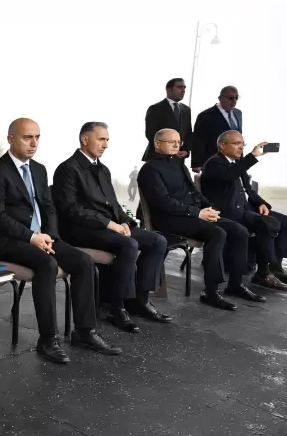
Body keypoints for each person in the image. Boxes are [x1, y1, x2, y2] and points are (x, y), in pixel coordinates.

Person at [0, 118, 120, 363]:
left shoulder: (39, 169)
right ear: (11, 139)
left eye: (37, 137)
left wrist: (51, 236)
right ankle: (48, 339)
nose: (34, 143)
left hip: (42, 238)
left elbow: (48, 207)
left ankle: (85, 331)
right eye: (27, 137)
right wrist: (32, 237)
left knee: (84, 261)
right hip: (7, 241)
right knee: (47, 264)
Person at [52, 122, 171, 333]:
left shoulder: (103, 169)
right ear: (85, 139)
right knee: (129, 244)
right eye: (101, 139)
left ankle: (140, 300)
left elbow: (113, 204)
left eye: (107, 140)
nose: (106, 145)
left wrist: (124, 221)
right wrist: (108, 223)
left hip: (108, 227)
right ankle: (117, 307)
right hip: (80, 230)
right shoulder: (67, 169)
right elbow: (71, 209)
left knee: (158, 241)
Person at [137, 128, 263, 310]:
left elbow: (194, 193)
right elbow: (163, 203)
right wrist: (197, 213)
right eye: (171, 142)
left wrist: (210, 208)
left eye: (178, 142)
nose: (177, 145)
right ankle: (210, 292)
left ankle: (236, 284)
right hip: (170, 219)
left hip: (193, 214)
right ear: (157, 144)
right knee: (217, 233)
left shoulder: (179, 164)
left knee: (239, 230)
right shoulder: (149, 169)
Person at [200, 132, 287, 290]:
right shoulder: (214, 163)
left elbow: (248, 189)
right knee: (267, 224)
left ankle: (275, 268)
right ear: (222, 146)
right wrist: (252, 156)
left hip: (247, 208)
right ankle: (263, 273)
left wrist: (261, 203)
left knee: (283, 222)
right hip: (229, 212)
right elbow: (229, 176)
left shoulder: (237, 163)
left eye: (242, 144)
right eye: (236, 143)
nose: (241, 147)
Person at [191, 86, 243, 171]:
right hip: (214, 162)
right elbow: (198, 140)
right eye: (230, 98)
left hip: (235, 162)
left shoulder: (238, 113)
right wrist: (197, 163)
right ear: (220, 98)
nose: (234, 101)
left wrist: (241, 159)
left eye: (236, 98)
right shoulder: (205, 115)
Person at [142, 78, 192, 162]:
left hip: (178, 160)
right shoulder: (155, 108)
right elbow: (151, 134)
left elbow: (188, 133)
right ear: (169, 90)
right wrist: (169, 150)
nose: (183, 90)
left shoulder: (186, 109)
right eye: (179, 87)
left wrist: (186, 150)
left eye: (184, 87)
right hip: (157, 158)